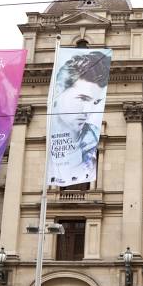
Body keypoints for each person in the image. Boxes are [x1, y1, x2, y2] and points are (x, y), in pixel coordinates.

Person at [49, 51, 111, 186]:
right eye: (82, 99)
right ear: (59, 90)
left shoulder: (91, 137)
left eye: (94, 102)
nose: (87, 111)